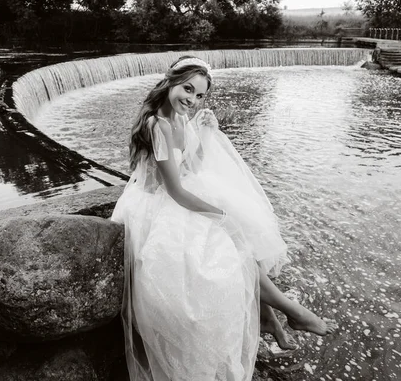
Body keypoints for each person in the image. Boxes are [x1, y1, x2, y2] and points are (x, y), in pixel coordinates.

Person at [111, 55, 337, 381]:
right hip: (152, 207)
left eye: (200, 95)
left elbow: (191, 167)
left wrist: (204, 132)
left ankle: (273, 316)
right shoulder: (156, 125)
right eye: (187, 89)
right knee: (228, 244)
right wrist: (220, 217)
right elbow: (174, 189)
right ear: (170, 81)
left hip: (174, 197)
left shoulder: (177, 118)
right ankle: (289, 312)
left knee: (241, 239)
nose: (192, 99)